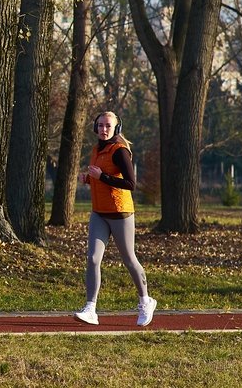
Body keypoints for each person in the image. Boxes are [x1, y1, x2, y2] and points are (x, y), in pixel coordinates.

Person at [74, 111, 156, 327]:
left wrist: (102, 176)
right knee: (93, 259)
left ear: (116, 128)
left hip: (120, 213)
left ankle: (145, 301)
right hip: (99, 213)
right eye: (100, 125)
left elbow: (130, 184)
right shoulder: (96, 150)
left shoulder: (119, 151)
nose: (104, 129)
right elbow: (101, 179)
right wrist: (89, 179)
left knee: (129, 259)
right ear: (95, 127)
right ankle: (90, 308)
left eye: (108, 126)